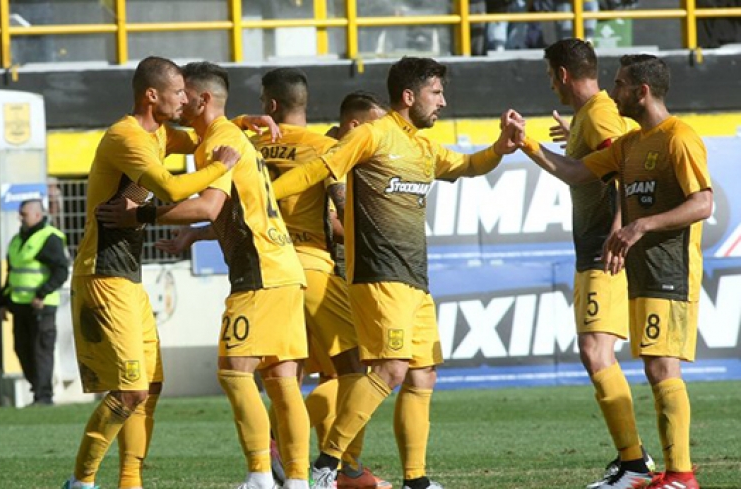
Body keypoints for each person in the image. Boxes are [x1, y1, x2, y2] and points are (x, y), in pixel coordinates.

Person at [269, 56, 523, 489]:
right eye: (436, 93)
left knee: (423, 375)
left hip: (415, 280)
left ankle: (415, 479)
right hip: (379, 274)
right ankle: (328, 464)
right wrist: (264, 199)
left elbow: (467, 166)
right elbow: (317, 170)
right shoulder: (371, 135)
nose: (443, 101)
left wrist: (500, 148)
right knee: (391, 369)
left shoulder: (422, 148)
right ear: (409, 96)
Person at [157, 76, 392, 489]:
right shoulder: (322, 148)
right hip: (307, 269)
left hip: (268, 262)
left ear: (269, 104)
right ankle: (337, 467)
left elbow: (245, 207)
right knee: (353, 372)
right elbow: (343, 218)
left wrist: (194, 233)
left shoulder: (248, 144)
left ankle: (287, 465)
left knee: (282, 376)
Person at [98, 61, 310, 489]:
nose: (179, 100)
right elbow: (236, 209)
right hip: (285, 268)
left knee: (234, 371)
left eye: (185, 93)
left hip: (259, 271)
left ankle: (260, 476)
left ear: (204, 99)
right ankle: (300, 480)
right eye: (175, 91)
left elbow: (208, 206)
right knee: (281, 379)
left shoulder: (221, 141)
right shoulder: (225, 135)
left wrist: (140, 215)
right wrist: (194, 236)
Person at [511, 54, 712, 489]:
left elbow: (703, 203)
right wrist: (527, 143)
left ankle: (680, 475)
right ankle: (670, 473)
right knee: (655, 367)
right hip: (642, 269)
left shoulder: (679, 138)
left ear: (642, 91)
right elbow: (576, 172)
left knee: (663, 367)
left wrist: (640, 225)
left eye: (620, 84)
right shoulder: (631, 144)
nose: (612, 90)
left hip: (671, 265)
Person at [62, 56, 243, 489]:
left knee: (151, 387)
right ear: (151, 95)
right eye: (178, 92)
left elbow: (201, 136)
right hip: (103, 274)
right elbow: (171, 188)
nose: (184, 99)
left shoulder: (160, 132)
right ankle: (80, 482)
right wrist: (221, 167)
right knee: (131, 391)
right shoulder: (125, 137)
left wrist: (241, 124)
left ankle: (130, 481)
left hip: (128, 277)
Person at [540, 39, 660, 489]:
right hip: (593, 247)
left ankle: (634, 464)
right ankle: (633, 458)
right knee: (595, 351)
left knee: (595, 351)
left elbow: (627, 169)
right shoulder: (589, 117)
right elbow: (603, 159)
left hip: (603, 249)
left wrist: (618, 230)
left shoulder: (599, 114)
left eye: (550, 76)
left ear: (562, 74)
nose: (551, 84)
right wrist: (572, 139)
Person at [0, 199, 69, 408]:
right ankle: (37, 388)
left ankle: (44, 396)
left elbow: (61, 271)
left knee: (41, 350)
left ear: (38, 215)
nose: (20, 218)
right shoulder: (17, 240)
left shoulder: (49, 238)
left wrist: (42, 294)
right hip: (19, 305)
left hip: (41, 306)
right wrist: (3, 302)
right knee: (21, 349)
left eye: (24, 214)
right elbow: (12, 274)